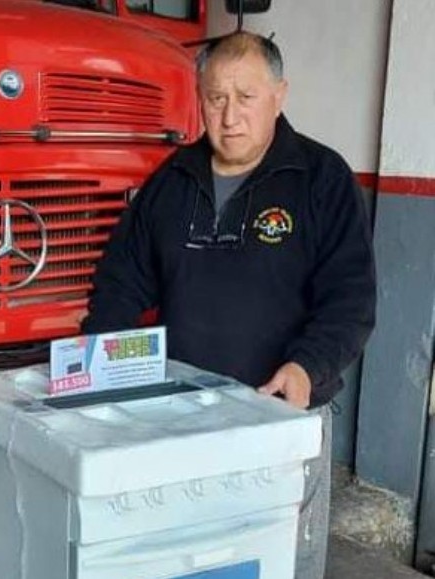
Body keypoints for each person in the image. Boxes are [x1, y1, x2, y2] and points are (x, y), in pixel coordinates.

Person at [81, 32, 376, 579]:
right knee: (189, 559)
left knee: (276, 561)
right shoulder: (171, 182)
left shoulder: (320, 178)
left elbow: (350, 298)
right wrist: (97, 366)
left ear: (279, 95)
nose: (230, 115)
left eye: (247, 97)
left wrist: (306, 367)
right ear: (200, 97)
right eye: (216, 98)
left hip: (280, 419)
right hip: (182, 421)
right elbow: (121, 284)